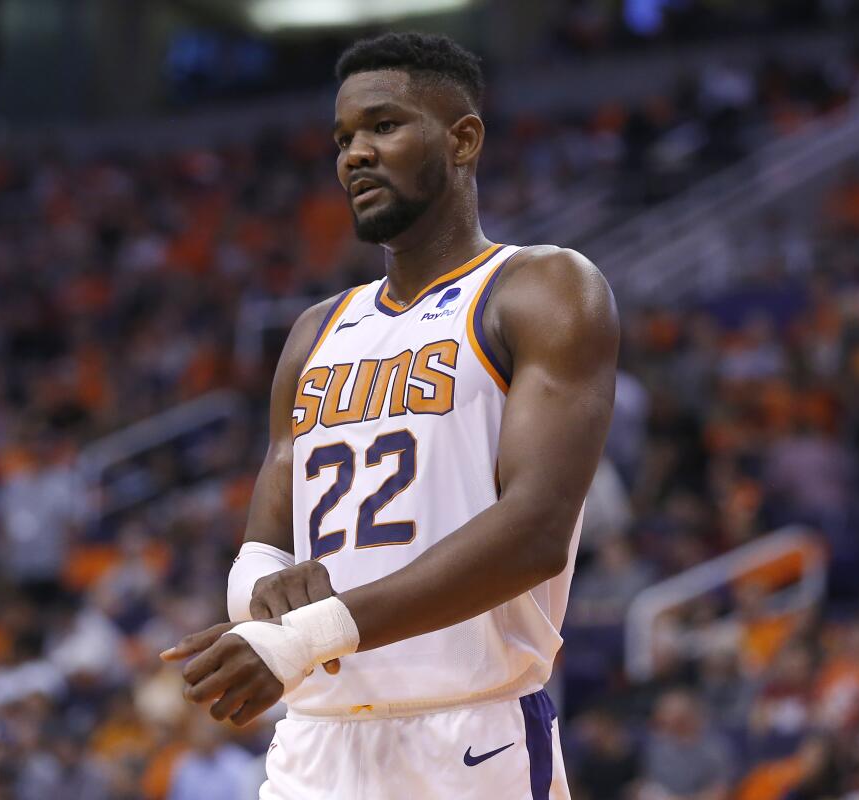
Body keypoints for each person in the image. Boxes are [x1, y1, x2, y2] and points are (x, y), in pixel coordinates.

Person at [162, 32, 618, 799]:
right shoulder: (315, 330)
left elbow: (537, 531)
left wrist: (308, 631)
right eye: (343, 138)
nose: (355, 155)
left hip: (466, 738)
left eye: (384, 126)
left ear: (463, 138)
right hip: (316, 741)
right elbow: (262, 553)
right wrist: (262, 600)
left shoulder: (541, 289)